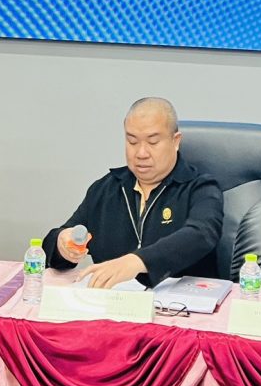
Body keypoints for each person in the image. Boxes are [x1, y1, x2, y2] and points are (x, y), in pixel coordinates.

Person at [44, 97, 223, 288]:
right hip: (113, 302)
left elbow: (201, 234)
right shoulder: (107, 189)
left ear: (176, 141)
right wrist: (62, 245)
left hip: (182, 302)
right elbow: (59, 242)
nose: (141, 153)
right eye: (132, 141)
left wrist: (137, 261)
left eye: (153, 142)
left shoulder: (200, 188)